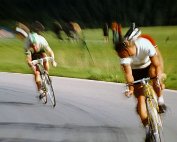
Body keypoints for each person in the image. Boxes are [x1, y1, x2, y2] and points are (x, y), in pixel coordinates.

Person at [114, 23, 166, 141]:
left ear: (127, 48)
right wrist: (131, 89)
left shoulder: (144, 44)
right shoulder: (124, 56)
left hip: (149, 66)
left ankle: (161, 100)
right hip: (135, 71)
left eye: (121, 54)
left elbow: (156, 63)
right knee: (140, 100)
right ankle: (148, 129)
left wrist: (158, 78)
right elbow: (128, 74)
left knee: (155, 78)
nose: (121, 57)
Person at [15, 22, 57, 98]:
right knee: (36, 73)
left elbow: (50, 51)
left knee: (45, 58)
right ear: (31, 43)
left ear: (38, 43)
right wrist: (30, 63)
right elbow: (28, 58)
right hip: (32, 55)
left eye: (36, 45)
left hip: (41, 52)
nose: (35, 47)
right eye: (33, 45)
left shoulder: (42, 40)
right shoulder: (27, 44)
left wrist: (53, 60)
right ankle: (40, 90)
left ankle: (46, 74)